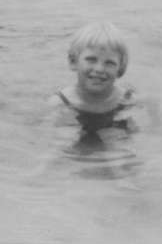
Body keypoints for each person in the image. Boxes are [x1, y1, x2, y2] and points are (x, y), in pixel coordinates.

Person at [49, 22, 155, 154]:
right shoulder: (62, 101)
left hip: (114, 128)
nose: (99, 69)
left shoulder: (127, 100)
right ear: (73, 62)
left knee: (125, 155)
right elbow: (48, 137)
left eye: (109, 63)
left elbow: (149, 129)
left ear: (120, 69)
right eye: (91, 59)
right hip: (76, 125)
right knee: (60, 150)